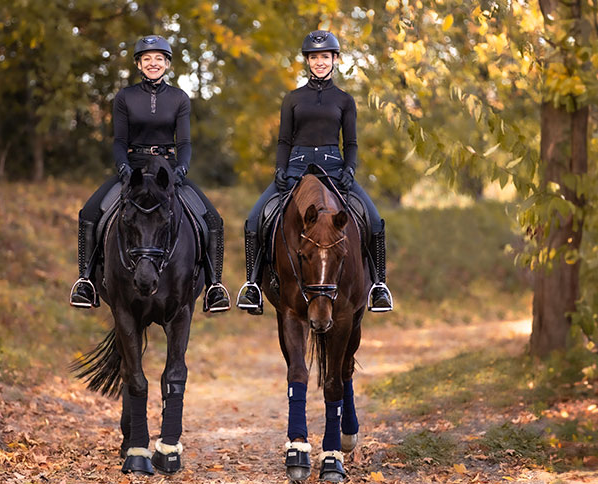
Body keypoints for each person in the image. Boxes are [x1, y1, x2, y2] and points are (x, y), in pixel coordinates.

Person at [70, 35, 230, 312]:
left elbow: (184, 143)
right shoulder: (125, 97)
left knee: (212, 219)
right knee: (90, 213)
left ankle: (215, 286)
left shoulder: (179, 98)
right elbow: (119, 141)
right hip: (132, 169)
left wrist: (181, 169)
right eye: (147, 59)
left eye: (158, 58)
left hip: (168, 171)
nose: (153, 63)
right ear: (139, 64)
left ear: (167, 64)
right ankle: (86, 281)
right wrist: (122, 167)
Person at [236, 30, 392, 314]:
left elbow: (352, 143)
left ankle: (379, 286)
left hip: (334, 169)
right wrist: (280, 170)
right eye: (314, 57)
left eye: (325, 57)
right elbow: (283, 140)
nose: (319, 62)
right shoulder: (293, 99)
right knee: (254, 220)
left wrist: (350, 169)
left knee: (375, 222)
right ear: (307, 61)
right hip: (295, 167)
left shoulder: (345, 100)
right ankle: (253, 286)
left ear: (335, 60)